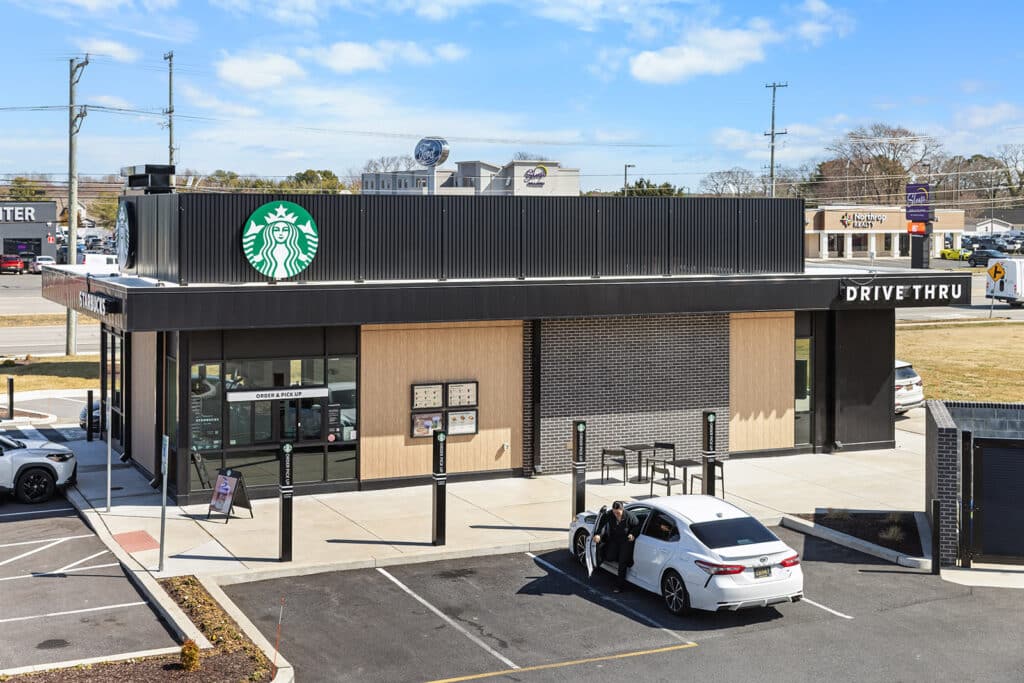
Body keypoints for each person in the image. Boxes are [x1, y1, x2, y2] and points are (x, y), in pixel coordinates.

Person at [592, 501, 640, 592]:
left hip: (626, 541)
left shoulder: (630, 516)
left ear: (622, 510)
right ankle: (618, 557)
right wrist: (597, 534)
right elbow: (601, 523)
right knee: (610, 557)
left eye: (618, 513)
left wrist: (633, 534)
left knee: (622, 563)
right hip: (614, 539)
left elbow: (637, 526)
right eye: (614, 512)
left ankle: (619, 586)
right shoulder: (610, 514)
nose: (616, 515)